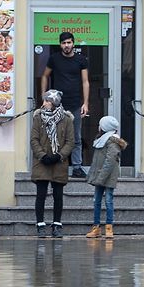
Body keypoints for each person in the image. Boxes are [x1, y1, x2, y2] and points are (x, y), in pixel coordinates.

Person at [41, 32, 90, 178]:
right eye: (63, 43)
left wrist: (85, 103)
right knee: (55, 136)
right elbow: (45, 76)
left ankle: (77, 167)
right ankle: (56, 166)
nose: (66, 45)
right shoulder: (54, 58)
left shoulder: (81, 59)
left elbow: (85, 82)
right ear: (60, 44)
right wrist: (44, 98)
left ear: (73, 43)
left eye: (69, 42)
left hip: (75, 104)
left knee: (76, 137)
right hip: (57, 105)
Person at [30, 89, 74, 238]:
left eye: (47, 101)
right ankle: (40, 225)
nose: (44, 103)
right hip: (41, 162)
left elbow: (70, 142)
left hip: (59, 163)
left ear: (54, 103)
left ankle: (57, 224)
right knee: (41, 195)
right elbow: (34, 140)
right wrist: (42, 155)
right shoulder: (38, 118)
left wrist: (59, 156)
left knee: (58, 196)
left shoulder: (66, 120)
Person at [85, 115, 126, 239]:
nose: (98, 127)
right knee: (96, 201)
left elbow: (110, 161)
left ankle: (109, 227)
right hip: (99, 175)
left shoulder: (112, 141)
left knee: (108, 200)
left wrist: (100, 178)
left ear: (105, 127)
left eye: (100, 125)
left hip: (107, 176)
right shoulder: (101, 140)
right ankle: (96, 228)